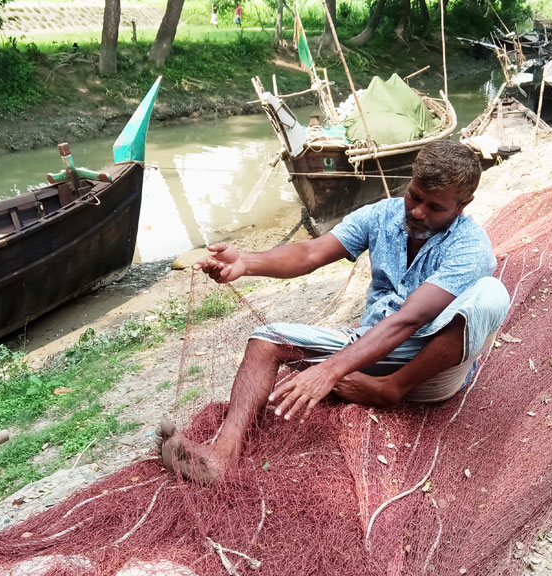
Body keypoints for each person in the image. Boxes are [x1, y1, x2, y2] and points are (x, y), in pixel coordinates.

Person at [156, 140, 510, 484]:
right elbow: (310, 253)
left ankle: (387, 389)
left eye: (435, 207)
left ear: (462, 205)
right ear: (410, 181)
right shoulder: (382, 215)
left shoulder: (470, 246)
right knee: (265, 341)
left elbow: (410, 320)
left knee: (492, 293)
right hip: (368, 344)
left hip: (428, 367)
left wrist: (328, 371)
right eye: (414, 196)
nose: (418, 211)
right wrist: (246, 263)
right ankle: (222, 456)